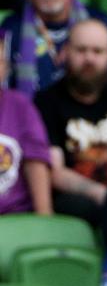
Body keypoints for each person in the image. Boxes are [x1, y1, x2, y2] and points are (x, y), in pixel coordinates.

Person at [34, 18, 107, 239]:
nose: (89, 58)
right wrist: (101, 193)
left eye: (97, 51)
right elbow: (55, 172)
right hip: (77, 195)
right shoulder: (46, 101)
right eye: (81, 50)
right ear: (66, 51)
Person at [0, 41, 52, 215]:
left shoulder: (19, 105)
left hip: (15, 217)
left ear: (6, 68)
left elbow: (36, 162)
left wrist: (44, 220)